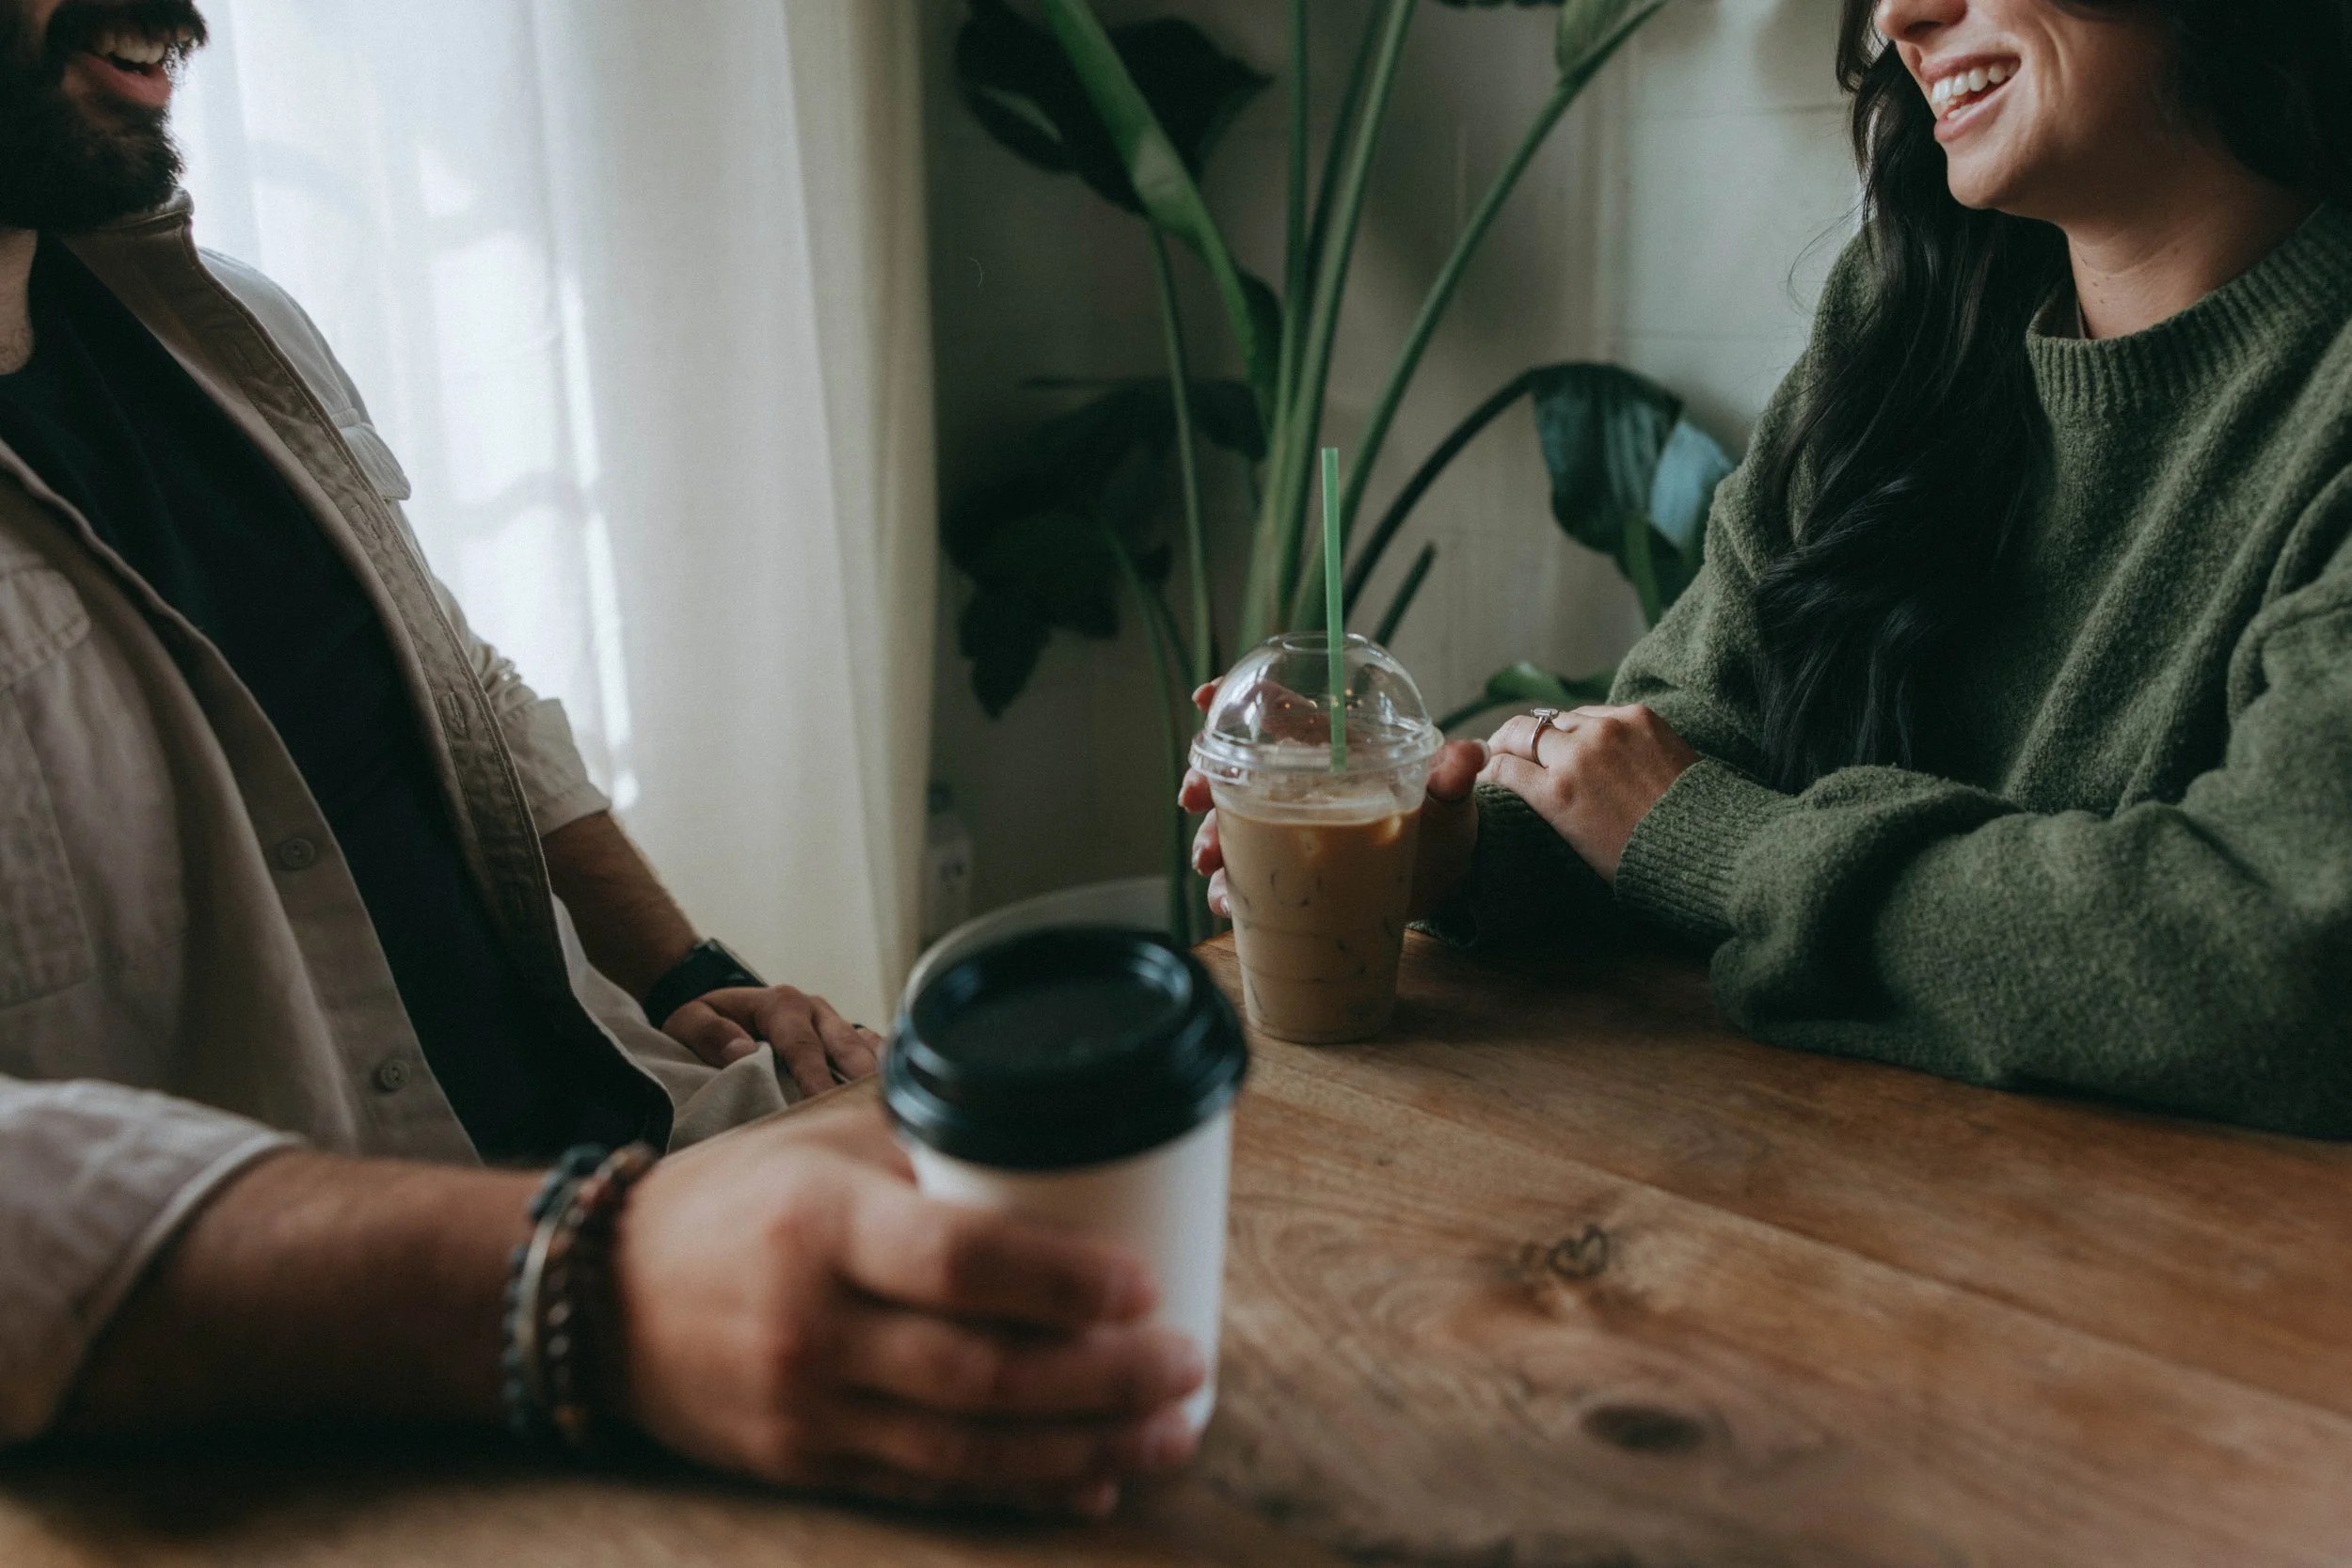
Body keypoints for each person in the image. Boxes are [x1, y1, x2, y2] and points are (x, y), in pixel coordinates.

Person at [0, 0, 1203, 1513]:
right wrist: (578, 1289)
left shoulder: (225, 324)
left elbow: (465, 693)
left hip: (641, 1181)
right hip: (318, 1416)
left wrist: (685, 969)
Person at [1190, 0, 2352, 1138]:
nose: (1902, 17)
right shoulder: (1907, 321)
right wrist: (1469, 855)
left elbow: (2290, 959)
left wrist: (1722, 845)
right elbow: (1708, 729)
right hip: (1788, 1185)